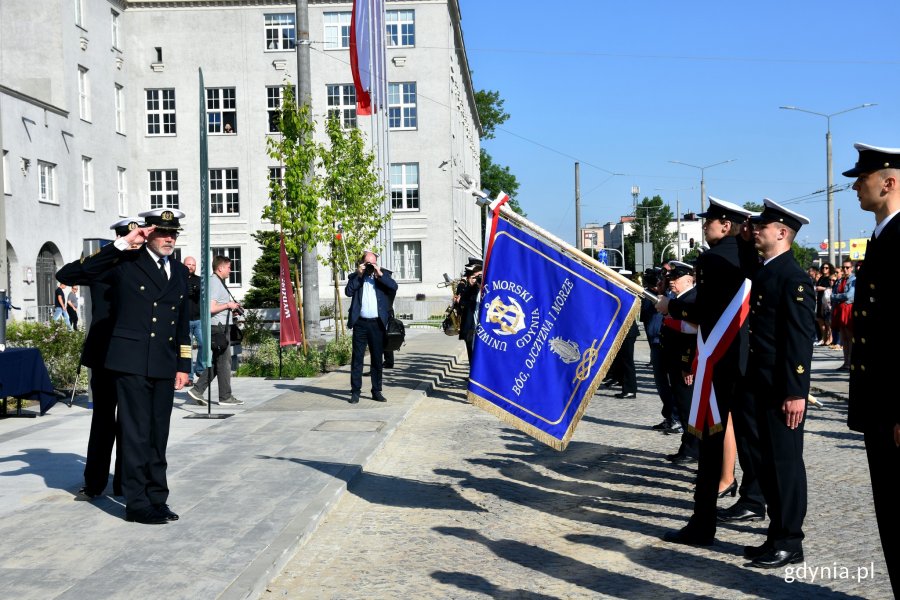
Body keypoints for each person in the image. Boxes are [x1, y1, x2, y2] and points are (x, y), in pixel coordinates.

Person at [57, 209, 191, 524]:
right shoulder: (124, 263)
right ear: (148, 234)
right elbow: (69, 274)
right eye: (162, 233)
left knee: (159, 435)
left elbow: (181, 323)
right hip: (130, 362)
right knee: (135, 434)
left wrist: (183, 363)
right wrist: (122, 244)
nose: (169, 239)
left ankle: (158, 498)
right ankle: (137, 503)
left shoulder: (179, 271)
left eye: (173, 234)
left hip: (162, 362)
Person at [657, 198, 760, 547]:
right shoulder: (750, 256)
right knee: (751, 439)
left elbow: (705, 310)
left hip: (720, 361)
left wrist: (671, 305)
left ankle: (702, 525)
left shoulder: (713, 259)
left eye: (711, 221)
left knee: (710, 441)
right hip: (748, 362)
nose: (705, 225)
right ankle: (761, 505)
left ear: (726, 225)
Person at [742, 198, 815, 568]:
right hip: (759, 383)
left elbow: (799, 340)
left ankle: (790, 539)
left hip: (781, 387)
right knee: (767, 463)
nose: (757, 230)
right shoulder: (765, 271)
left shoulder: (793, 277)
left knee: (785, 463)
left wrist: (795, 392)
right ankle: (775, 535)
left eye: (764, 226)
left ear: (782, 233)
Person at [842, 143, 900, 596]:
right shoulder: (882, 239)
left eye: (863, 178)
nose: (855, 186)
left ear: (890, 182)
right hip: (879, 404)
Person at [56, 217, 143, 500]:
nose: (137, 243)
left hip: (132, 353)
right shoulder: (101, 264)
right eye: (132, 239)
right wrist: (116, 249)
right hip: (104, 352)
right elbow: (66, 274)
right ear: (120, 238)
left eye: (138, 238)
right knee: (103, 421)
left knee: (130, 423)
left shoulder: (144, 265)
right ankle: (94, 483)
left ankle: (123, 483)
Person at [657, 261, 698, 465]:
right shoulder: (678, 299)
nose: (672, 282)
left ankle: (692, 447)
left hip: (686, 364)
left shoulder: (692, 298)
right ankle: (687, 445)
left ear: (689, 279)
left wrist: (687, 365)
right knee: (682, 407)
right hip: (674, 361)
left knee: (688, 407)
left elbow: (693, 335)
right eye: (671, 279)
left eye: (677, 279)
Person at [187, 255, 243, 406]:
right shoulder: (215, 283)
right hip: (217, 328)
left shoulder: (218, 282)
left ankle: (198, 390)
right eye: (229, 267)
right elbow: (211, 308)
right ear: (220, 268)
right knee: (224, 362)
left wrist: (232, 310)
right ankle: (224, 397)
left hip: (220, 326)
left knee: (219, 361)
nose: (231, 270)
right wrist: (228, 306)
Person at [345, 250, 397, 404]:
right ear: (362, 264)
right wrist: (360, 275)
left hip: (377, 324)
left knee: (376, 359)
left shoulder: (381, 276)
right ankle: (355, 392)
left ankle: (376, 391)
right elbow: (348, 292)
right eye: (368, 263)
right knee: (357, 359)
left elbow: (394, 287)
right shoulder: (356, 277)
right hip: (360, 323)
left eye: (373, 263)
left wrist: (379, 273)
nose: (370, 266)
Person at [640, 267, 679, 431]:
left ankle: (678, 418)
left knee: (674, 384)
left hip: (670, 344)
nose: (655, 286)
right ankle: (669, 416)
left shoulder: (672, 296)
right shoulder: (648, 297)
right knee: (660, 383)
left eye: (658, 283)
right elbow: (644, 316)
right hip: (655, 344)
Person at [183, 256, 204, 383]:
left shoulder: (200, 280)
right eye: (188, 264)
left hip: (198, 319)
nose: (191, 267)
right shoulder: (178, 279)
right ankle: (189, 377)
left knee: (203, 344)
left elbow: (205, 297)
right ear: (184, 265)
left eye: (193, 265)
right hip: (184, 320)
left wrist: (198, 292)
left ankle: (199, 369)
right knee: (187, 348)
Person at [831, 260, 855, 370]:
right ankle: (846, 362)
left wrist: (837, 296)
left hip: (848, 309)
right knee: (844, 338)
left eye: (847, 267)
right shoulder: (841, 280)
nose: (845, 269)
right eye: (843, 267)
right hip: (840, 310)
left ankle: (850, 363)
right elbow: (832, 294)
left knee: (849, 337)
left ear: (852, 268)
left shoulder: (854, 280)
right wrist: (838, 296)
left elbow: (849, 296)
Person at [457, 261, 483, 365]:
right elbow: (464, 302)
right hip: (471, 329)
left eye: (480, 276)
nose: (477, 279)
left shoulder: (489, 290)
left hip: (485, 329)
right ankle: (473, 376)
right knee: (472, 355)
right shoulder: (469, 291)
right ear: (468, 278)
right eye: (474, 277)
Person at [814, 262, 835, 346]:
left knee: (828, 321)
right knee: (820, 320)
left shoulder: (830, 278)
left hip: (827, 301)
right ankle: (823, 337)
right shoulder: (821, 277)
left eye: (826, 268)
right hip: (820, 300)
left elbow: (831, 288)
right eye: (823, 268)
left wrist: (822, 288)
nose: (824, 269)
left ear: (830, 269)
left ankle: (830, 338)